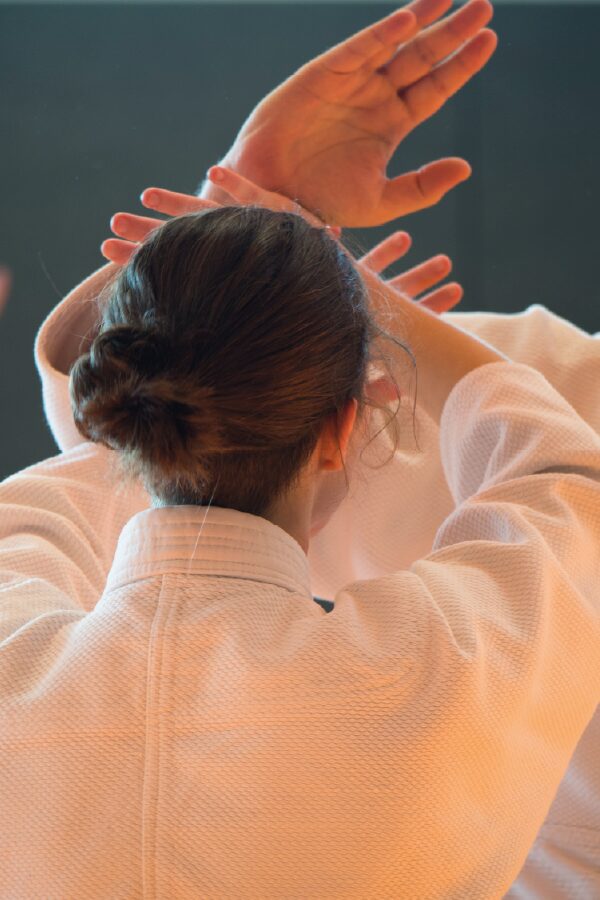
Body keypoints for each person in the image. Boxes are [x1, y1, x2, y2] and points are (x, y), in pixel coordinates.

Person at [1, 4, 599, 900]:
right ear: (343, 427)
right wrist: (337, 302)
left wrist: (255, 262)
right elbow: (565, 476)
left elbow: (101, 474)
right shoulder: (437, 679)